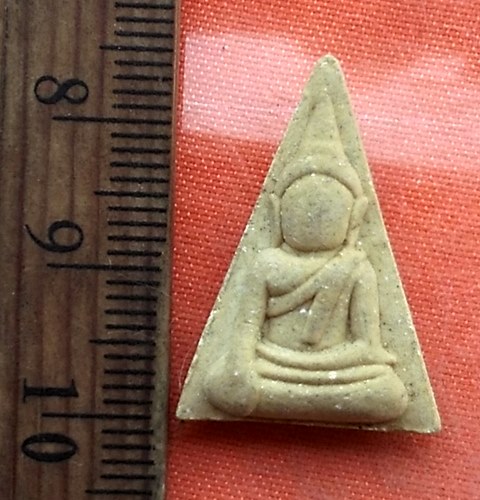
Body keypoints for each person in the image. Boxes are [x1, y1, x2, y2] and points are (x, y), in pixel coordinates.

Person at [203, 152, 408, 423]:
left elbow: (367, 345)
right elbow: (246, 329)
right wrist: (240, 366)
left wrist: (317, 366)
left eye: (331, 209)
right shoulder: (267, 264)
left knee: (388, 394)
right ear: (278, 213)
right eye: (299, 208)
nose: (315, 219)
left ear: (354, 218)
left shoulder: (358, 268)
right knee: (220, 383)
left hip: (337, 372)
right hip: (271, 364)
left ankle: (299, 398)